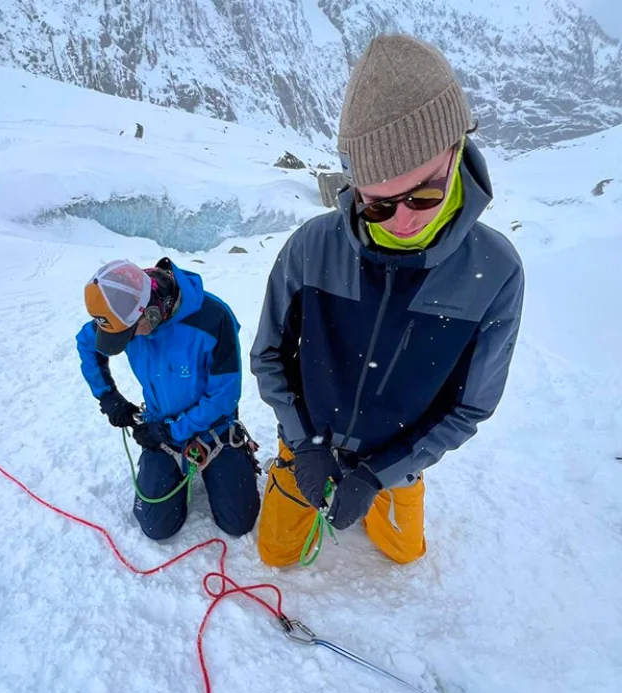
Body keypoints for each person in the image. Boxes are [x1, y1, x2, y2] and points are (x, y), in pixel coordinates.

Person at [251, 34, 525, 567]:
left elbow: (470, 406)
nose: (402, 222)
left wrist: (384, 473)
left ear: (458, 148)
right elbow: (268, 356)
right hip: (309, 443)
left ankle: (383, 493)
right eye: (377, 204)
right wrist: (303, 445)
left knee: (404, 554)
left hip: (396, 457)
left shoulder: (495, 272)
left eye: (424, 193)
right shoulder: (313, 247)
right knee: (276, 555)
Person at [76, 257, 260, 540]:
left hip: (214, 428)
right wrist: (108, 397)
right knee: (156, 527)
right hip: (160, 427)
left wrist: (169, 431)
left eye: (128, 334)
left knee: (238, 523)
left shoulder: (212, 318)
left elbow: (224, 396)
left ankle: (231, 458)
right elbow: (87, 343)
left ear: (150, 313)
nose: (127, 341)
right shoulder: (121, 315)